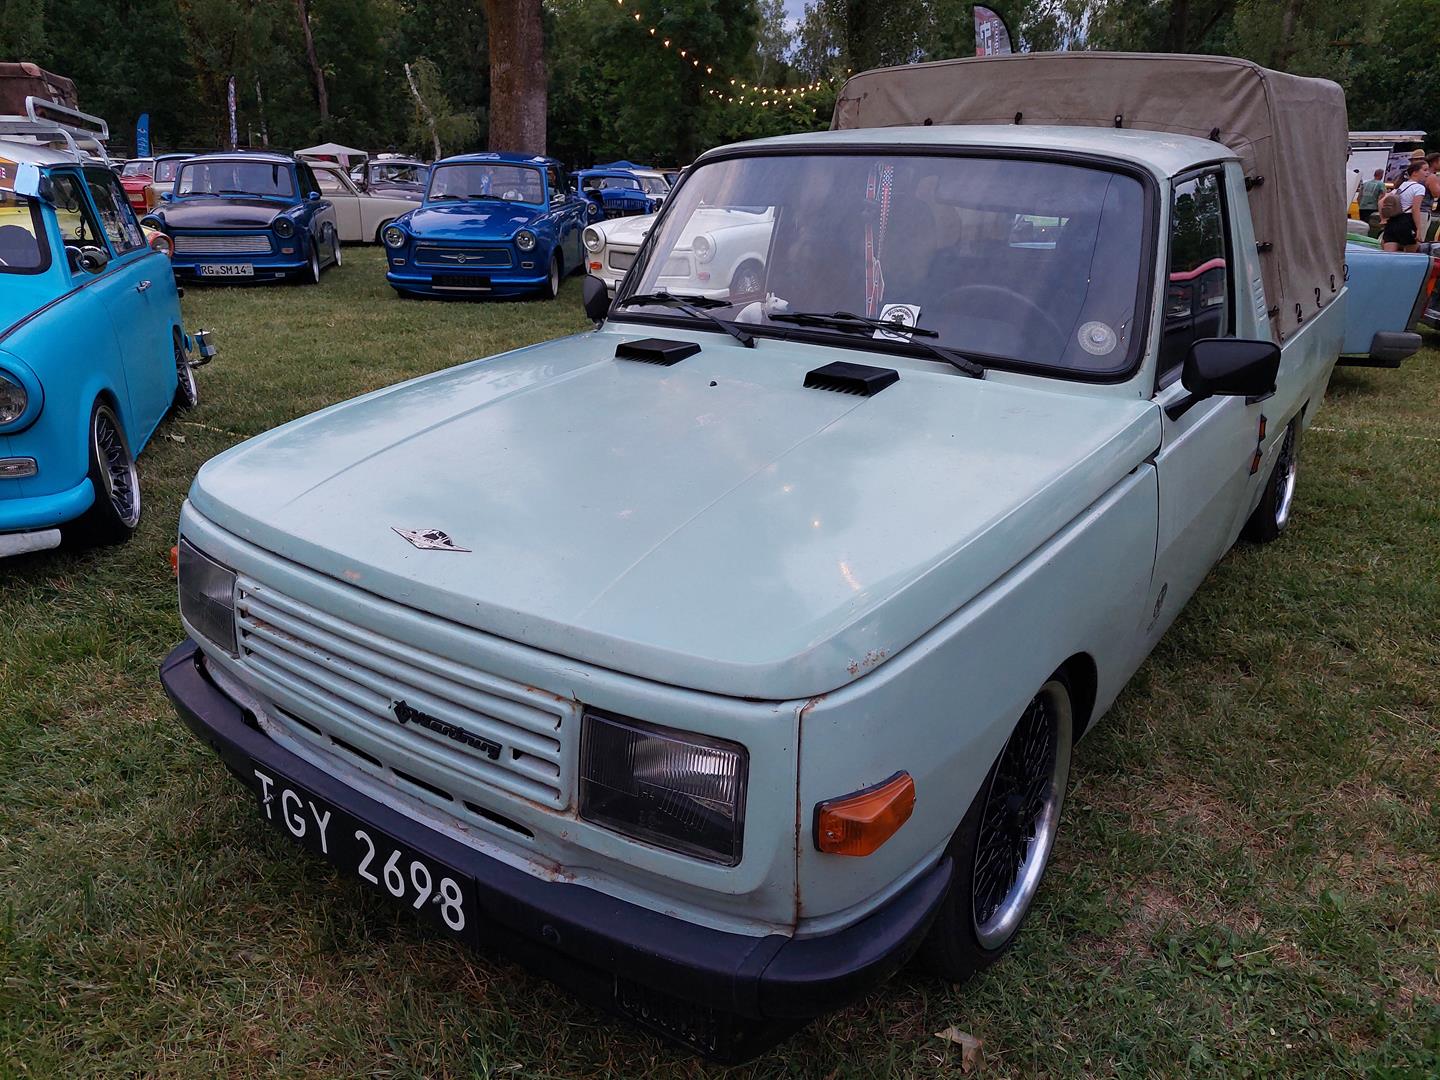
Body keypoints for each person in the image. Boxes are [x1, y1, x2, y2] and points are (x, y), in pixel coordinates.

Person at [1382, 162, 1427, 252]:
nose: (1427, 173)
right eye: (1425, 170)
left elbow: (1381, 202)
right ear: (1415, 173)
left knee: (1388, 256)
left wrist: (1382, 218)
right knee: (1410, 255)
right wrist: (1418, 229)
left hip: (1392, 222)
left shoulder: (1400, 186)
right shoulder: (1419, 187)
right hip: (1407, 221)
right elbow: (1415, 209)